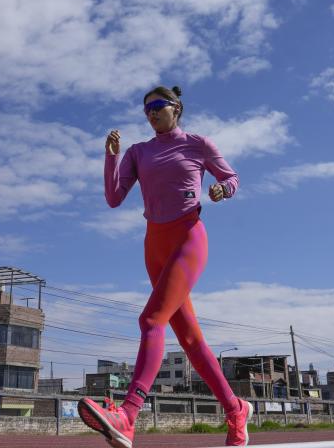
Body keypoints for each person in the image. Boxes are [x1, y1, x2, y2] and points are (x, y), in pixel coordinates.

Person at [78, 85, 253, 448]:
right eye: (146, 110)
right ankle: (236, 410)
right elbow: (113, 198)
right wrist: (111, 157)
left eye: (158, 106)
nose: (151, 113)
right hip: (154, 246)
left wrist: (223, 190)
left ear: (176, 108)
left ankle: (127, 415)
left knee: (151, 320)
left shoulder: (198, 143)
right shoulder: (138, 152)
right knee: (189, 340)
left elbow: (230, 177)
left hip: (188, 237)